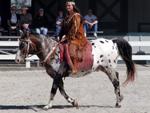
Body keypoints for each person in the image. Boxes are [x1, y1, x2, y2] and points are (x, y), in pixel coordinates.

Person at [59, 1, 88, 74]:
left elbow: (75, 28)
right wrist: (60, 36)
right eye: (66, 6)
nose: (67, 7)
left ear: (73, 6)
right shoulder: (67, 16)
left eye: (69, 5)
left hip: (78, 37)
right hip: (69, 37)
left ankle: (74, 67)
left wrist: (67, 37)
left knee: (71, 48)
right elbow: (63, 28)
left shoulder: (76, 15)